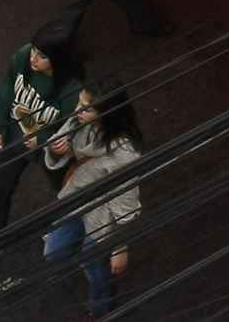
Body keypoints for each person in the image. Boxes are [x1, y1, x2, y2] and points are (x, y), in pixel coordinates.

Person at [0, 30, 84, 255]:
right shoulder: (24, 57)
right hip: (18, 137)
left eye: (41, 56)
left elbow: (73, 126)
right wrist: (0, 123)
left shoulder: (72, 89)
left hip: (52, 152)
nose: (33, 57)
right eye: (34, 50)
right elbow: (7, 86)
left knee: (71, 193)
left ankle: (80, 236)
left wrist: (43, 140)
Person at [53, 85, 147, 314]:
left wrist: (119, 247)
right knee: (55, 251)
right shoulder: (81, 126)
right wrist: (60, 149)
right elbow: (62, 146)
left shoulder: (124, 155)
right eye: (79, 102)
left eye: (87, 107)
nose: (78, 110)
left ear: (107, 113)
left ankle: (101, 308)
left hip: (102, 215)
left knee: (94, 266)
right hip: (76, 200)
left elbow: (126, 206)